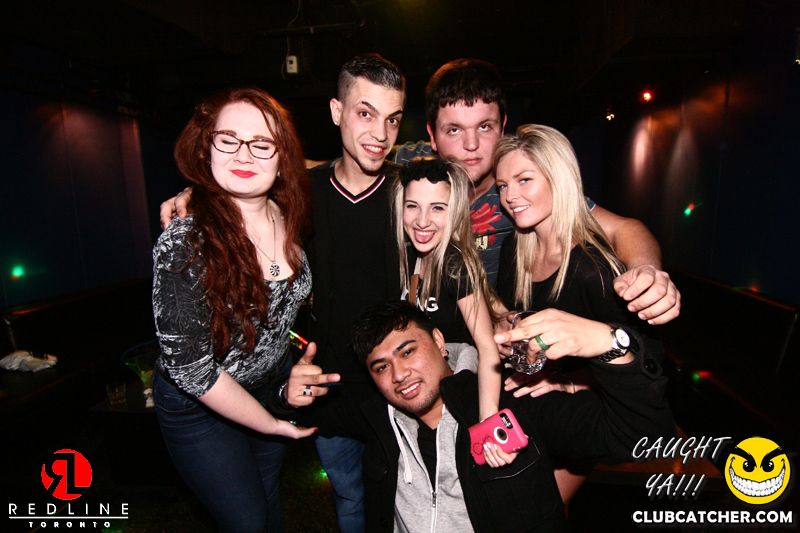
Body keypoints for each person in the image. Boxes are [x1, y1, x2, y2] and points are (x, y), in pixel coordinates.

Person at [291, 300, 676, 532]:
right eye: (381, 367)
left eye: (408, 351)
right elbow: (295, 414)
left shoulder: (515, 400)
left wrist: (611, 346)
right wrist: (286, 395)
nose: (399, 374)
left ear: (439, 341)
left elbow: (643, 439)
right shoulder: (376, 417)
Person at [391, 59, 680, 325]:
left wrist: (646, 270)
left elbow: (624, 228)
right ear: (432, 135)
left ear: (502, 128)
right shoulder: (407, 169)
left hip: (497, 338)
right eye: (454, 130)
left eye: (485, 126)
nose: (471, 144)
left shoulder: (523, 186)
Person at [151, 87, 317, 533]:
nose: (243, 154)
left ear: (282, 157)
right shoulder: (185, 238)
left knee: (267, 501)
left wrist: (287, 375)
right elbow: (191, 369)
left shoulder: (289, 212)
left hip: (269, 384)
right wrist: (272, 425)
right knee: (247, 521)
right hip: (199, 403)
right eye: (228, 139)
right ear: (207, 147)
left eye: (262, 143)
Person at [494, 124, 660, 503]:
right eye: (503, 185)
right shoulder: (514, 250)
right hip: (536, 402)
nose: (510, 196)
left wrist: (570, 382)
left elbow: (636, 358)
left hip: (593, 410)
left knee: (538, 507)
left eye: (524, 180)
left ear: (559, 178)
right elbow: (515, 326)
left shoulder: (592, 266)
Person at [392, 157, 503, 422]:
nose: (422, 221)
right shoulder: (409, 256)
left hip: (459, 395)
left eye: (437, 208)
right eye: (412, 206)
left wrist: (488, 420)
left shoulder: (455, 263)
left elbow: (487, 347)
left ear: (454, 212)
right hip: (426, 394)